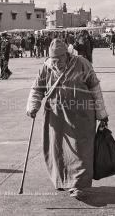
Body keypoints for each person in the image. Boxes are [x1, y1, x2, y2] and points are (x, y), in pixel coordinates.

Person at [26, 39, 108, 199]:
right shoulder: (46, 67)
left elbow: (95, 88)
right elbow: (37, 88)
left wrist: (101, 114)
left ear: (67, 55)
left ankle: (78, 185)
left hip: (82, 117)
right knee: (58, 150)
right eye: (54, 60)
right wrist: (33, 105)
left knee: (81, 151)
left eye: (59, 60)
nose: (56, 63)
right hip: (56, 117)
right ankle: (63, 180)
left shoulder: (82, 63)